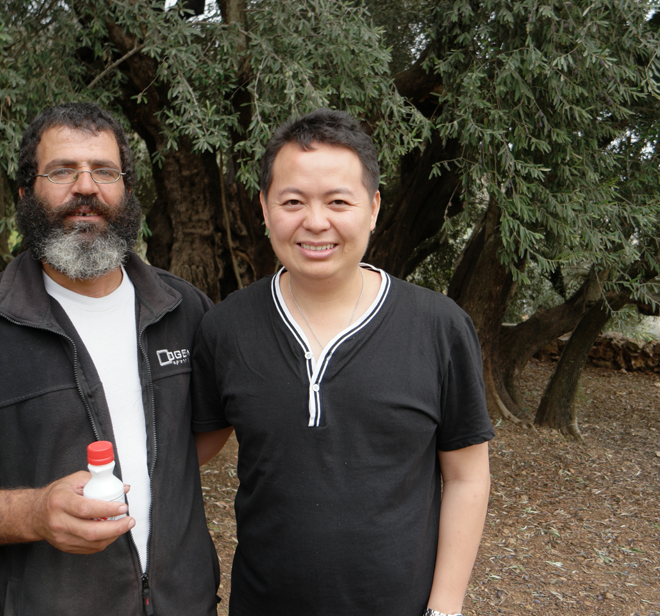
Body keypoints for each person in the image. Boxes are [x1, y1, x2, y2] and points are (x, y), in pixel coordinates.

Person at [0, 103, 219, 615]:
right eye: (62, 170)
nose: (85, 187)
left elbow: (201, 432)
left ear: (126, 190)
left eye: (104, 171)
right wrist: (35, 513)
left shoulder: (183, 309)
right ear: (25, 193)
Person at [191, 109, 494, 616]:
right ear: (264, 208)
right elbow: (188, 450)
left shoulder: (439, 327)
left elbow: (467, 476)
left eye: (338, 201)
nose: (315, 222)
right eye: (292, 201)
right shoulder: (225, 329)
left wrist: (445, 608)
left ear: (373, 207)